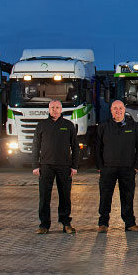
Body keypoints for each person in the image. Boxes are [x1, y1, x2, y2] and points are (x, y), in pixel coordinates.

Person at [95, 100, 138, 233]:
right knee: (105, 196)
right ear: (111, 110)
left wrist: (136, 166)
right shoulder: (104, 127)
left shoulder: (133, 126)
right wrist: (100, 166)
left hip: (127, 168)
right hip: (108, 168)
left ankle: (130, 223)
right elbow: (97, 148)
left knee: (127, 196)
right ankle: (103, 223)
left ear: (124, 109)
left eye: (120, 108)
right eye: (115, 108)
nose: (118, 110)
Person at [32, 100, 79, 234]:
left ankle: (66, 223)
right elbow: (35, 146)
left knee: (65, 196)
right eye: (52, 107)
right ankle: (44, 225)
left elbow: (75, 147)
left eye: (57, 107)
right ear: (48, 109)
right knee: (44, 196)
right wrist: (35, 166)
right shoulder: (41, 125)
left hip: (64, 167)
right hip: (45, 166)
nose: (55, 110)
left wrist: (74, 166)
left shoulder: (68, 125)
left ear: (61, 109)